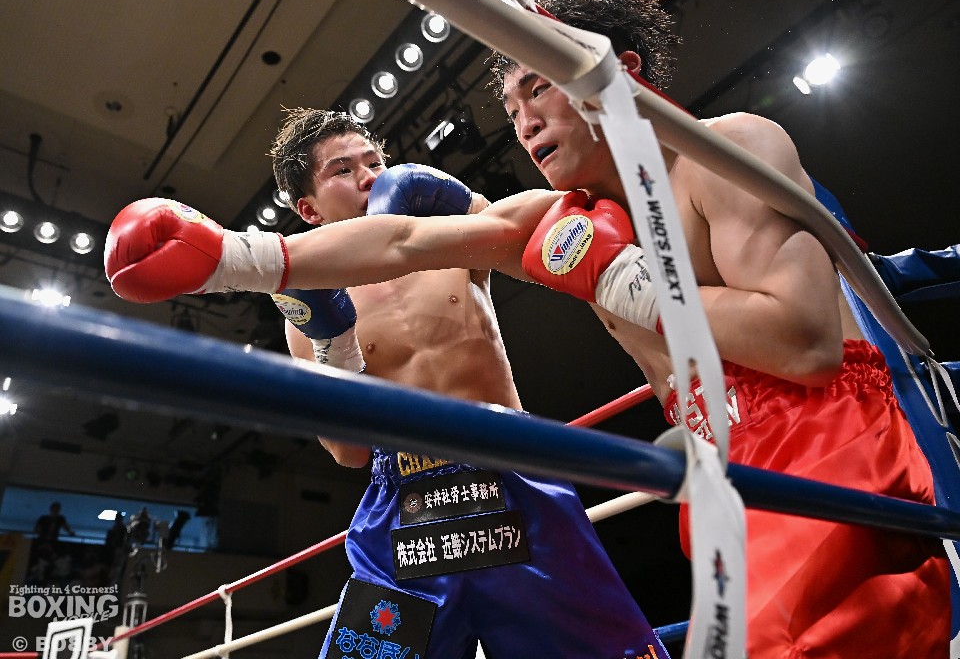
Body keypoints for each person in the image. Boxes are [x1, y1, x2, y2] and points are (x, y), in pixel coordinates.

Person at [103, 0, 949, 656]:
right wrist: (233, 258)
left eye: (538, 88)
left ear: (614, 74)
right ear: (305, 205)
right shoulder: (553, 223)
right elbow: (397, 251)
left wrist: (620, 279)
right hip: (444, 495)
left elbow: (805, 346)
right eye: (510, 110)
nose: (523, 123)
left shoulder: (725, 150)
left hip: (801, 444)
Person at [107, 109, 670, 658]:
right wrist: (336, 348)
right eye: (343, 170)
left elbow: (529, 225)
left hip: (511, 470)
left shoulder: (451, 241)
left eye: (375, 162)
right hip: (404, 504)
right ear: (308, 208)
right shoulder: (304, 310)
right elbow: (348, 452)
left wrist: (463, 199)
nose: (370, 177)